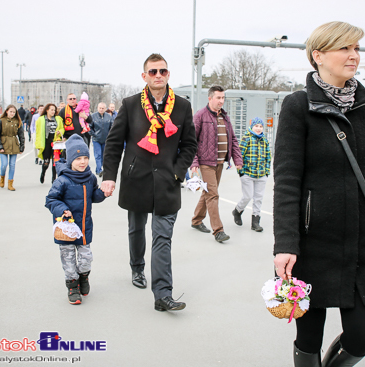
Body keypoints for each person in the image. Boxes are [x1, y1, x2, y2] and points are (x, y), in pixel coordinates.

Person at [273, 21, 365, 367]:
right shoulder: (298, 106)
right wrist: (286, 244)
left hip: (358, 242)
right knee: (309, 337)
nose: (354, 56)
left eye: (356, 49)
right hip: (312, 242)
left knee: (363, 336)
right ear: (318, 56)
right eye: (345, 48)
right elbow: (287, 181)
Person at [101, 53, 197, 312]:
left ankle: (163, 294)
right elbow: (113, 144)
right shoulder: (131, 105)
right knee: (136, 228)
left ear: (168, 75)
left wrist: (178, 172)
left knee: (162, 237)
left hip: (167, 182)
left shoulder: (182, 106)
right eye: (153, 71)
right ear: (144, 76)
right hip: (137, 179)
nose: (158, 76)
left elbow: (189, 145)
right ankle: (137, 267)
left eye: (162, 71)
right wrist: (109, 176)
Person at [45, 134, 106, 305]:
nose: (83, 162)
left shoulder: (90, 177)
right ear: (71, 159)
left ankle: (83, 277)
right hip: (67, 229)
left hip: (84, 227)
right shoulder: (62, 180)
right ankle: (72, 286)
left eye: (86, 158)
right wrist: (62, 209)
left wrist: (102, 193)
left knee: (86, 258)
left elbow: (94, 196)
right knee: (69, 259)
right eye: (78, 158)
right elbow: (50, 200)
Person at [190, 85, 243, 243]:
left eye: (223, 98)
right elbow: (191, 141)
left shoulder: (225, 117)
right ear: (210, 98)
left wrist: (237, 160)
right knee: (213, 195)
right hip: (206, 163)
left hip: (220, 162)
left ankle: (196, 220)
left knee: (207, 192)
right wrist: (194, 162)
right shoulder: (200, 116)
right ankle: (218, 231)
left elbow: (232, 139)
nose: (221, 101)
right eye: (218, 98)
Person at [232, 117, 271, 232]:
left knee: (258, 198)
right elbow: (239, 155)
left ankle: (255, 222)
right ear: (252, 126)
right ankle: (237, 211)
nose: (258, 129)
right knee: (247, 196)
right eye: (256, 126)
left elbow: (268, 157)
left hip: (261, 174)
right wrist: (241, 172)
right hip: (248, 174)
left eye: (260, 126)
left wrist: (267, 172)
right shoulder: (246, 138)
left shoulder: (264, 140)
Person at [0, 105, 25, 191]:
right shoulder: (1, 121)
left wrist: (22, 147)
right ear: (7, 111)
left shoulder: (17, 122)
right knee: (4, 164)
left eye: (14, 112)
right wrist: (0, 146)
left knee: (12, 165)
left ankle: (10, 183)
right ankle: (2, 177)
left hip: (14, 145)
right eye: (11, 111)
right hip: (4, 144)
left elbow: (21, 135)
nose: (12, 113)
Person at [36, 103, 65, 184]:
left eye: (54, 110)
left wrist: (60, 132)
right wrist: (38, 144)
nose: (53, 111)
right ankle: (43, 173)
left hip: (56, 143)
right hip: (46, 143)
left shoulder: (58, 119)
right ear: (47, 110)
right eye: (51, 110)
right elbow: (38, 133)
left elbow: (62, 128)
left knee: (55, 162)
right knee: (46, 162)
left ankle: (54, 179)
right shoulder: (41, 119)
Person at [90, 102, 114, 177]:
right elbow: (89, 127)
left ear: (105, 109)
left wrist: (110, 136)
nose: (101, 109)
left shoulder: (108, 117)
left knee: (104, 155)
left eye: (103, 108)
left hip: (105, 139)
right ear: (98, 108)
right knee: (98, 155)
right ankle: (99, 170)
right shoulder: (93, 116)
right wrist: (94, 134)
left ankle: (99, 168)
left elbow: (112, 127)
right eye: (100, 108)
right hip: (96, 139)